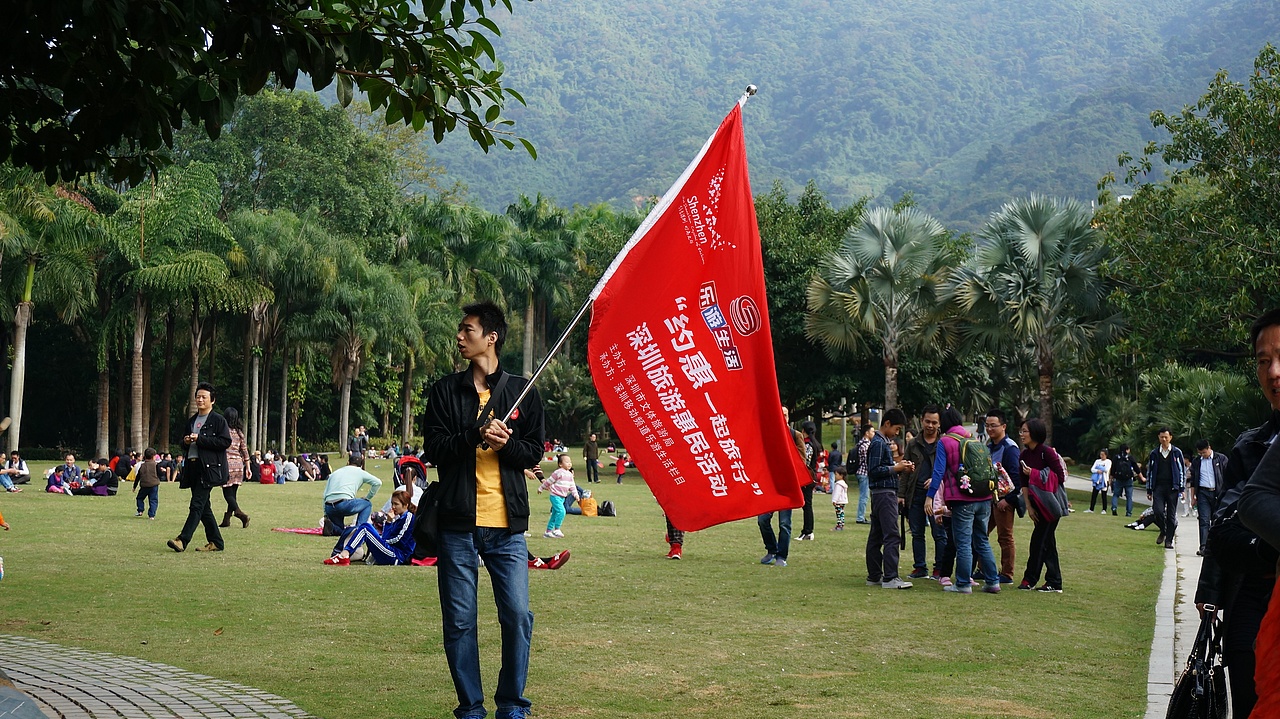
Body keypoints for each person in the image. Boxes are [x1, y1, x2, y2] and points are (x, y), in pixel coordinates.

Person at [421, 301, 544, 719]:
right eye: (460, 330)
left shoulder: (522, 391)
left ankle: (511, 703)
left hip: (506, 527)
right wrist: (475, 434)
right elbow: (435, 449)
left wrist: (506, 444)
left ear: (491, 337)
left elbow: (533, 453)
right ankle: (471, 708)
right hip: (457, 523)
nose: (460, 337)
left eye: (468, 330)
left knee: (518, 615)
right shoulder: (444, 391)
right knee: (459, 622)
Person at [1195, 309, 1280, 717]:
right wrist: (1208, 595)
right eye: (1263, 361)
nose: (1274, 372)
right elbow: (1224, 534)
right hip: (1256, 601)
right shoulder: (1253, 447)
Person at [927, 406, 1000, 594]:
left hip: (962, 499)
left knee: (963, 542)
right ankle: (993, 581)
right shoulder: (973, 439)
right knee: (981, 539)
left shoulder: (945, 442)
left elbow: (938, 471)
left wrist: (930, 497)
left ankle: (962, 584)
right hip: (984, 497)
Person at [168, 382, 232, 553]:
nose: (200, 400)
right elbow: (182, 442)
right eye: (198, 396)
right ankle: (216, 542)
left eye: (204, 397)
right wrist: (186, 442)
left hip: (208, 469)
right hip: (193, 467)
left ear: (213, 400)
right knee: (204, 508)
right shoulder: (192, 421)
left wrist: (200, 439)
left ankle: (182, 540)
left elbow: (225, 442)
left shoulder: (218, 420)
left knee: (196, 505)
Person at [865, 408, 914, 589]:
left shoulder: (882, 442)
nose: (897, 433)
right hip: (885, 494)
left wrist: (899, 467)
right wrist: (896, 468)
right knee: (892, 535)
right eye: (897, 428)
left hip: (880, 495)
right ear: (887, 424)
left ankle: (874, 576)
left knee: (876, 536)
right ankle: (890, 577)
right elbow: (874, 471)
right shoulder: (879, 443)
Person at [1017, 418, 1065, 593]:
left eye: (1025, 431)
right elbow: (1023, 483)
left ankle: (1030, 579)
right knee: (1048, 543)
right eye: (1021, 431)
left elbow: (1060, 477)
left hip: (1051, 506)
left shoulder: (1047, 453)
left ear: (1035, 433)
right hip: (1037, 505)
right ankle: (1054, 581)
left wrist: (1035, 474)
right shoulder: (1024, 455)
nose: (1022, 435)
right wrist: (1029, 507)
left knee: (1038, 542)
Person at [325, 488, 418, 566]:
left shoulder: (409, 518)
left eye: (396, 504)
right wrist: (388, 522)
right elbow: (388, 538)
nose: (393, 507)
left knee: (365, 528)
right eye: (392, 503)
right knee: (366, 527)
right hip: (391, 552)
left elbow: (399, 540)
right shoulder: (398, 519)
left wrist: (380, 540)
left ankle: (344, 554)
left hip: (397, 556)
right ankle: (344, 554)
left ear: (405, 505)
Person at [903, 405, 942, 579]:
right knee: (917, 532)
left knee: (939, 533)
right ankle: (920, 567)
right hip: (915, 494)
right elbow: (904, 470)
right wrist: (900, 495)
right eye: (927, 421)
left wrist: (936, 480)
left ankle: (940, 568)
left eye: (934, 422)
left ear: (939, 423)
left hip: (937, 496)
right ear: (921, 420)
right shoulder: (912, 444)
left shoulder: (944, 443)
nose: (930, 426)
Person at [759, 405, 800, 568]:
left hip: (787, 486)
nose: (783, 417)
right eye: (780, 414)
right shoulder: (768, 434)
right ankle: (772, 549)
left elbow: (801, 461)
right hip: (770, 486)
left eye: (786, 414)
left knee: (784, 523)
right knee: (763, 520)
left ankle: (782, 556)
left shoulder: (795, 435)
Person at [985, 408, 1022, 584]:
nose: (990, 429)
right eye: (987, 426)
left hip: (1004, 501)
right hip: (988, 500)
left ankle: (1007, 574)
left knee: (1005, 536)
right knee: (981, 533)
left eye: (993, 425)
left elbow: (1016, 478)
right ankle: (982, 568)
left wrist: (1007, 500)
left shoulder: (1010, 448)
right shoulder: (989, 446)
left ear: (1004, 426)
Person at [1145, 428, 1186, 549]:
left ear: (1170, 438)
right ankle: (1163, 530)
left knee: (1171, 515)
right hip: (1158, 487)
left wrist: (1181, 488)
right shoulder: (1154, 453)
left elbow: (1181, 470)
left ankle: (1169, 540)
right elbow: (1150, 472)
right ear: (1158, 437)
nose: (1164, 439)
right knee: (1157, 511)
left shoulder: (1176, 452)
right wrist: (1149, 489)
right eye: (1161, 437)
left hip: (1172, 487)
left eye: (1166, 437)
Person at [323, 454, 383, 529]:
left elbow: (325, 494)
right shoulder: (360, 472)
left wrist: (326, 514)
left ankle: (333, 528)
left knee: (340, 529)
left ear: (348, 462)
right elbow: (378, 482)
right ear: (361, 466)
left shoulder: (334, 473)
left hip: (329, 506)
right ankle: (359, 529)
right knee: (367, 504)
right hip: (344, 504)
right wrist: (368, 497)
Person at [1189, 439, 1226, 556]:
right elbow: (1193, 481)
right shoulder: (1197, 462)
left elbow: (1228, 476)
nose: (1202, 455)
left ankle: (1216, 546)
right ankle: (1203, 547)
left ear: (1209, 448)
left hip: (1218, 493)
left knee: (1217, 520)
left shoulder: (1221, 459)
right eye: (1200, 453)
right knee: (1204, 520)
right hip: (1203, 493)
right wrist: (1193, 497)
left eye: (1204, 453)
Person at [218, 407, 251, 528]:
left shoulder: (223, 431)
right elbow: (244, 451)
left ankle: (239, 513)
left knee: (227, 494)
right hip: (238, 465)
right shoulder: (239, 432)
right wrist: (248, 467)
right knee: (233, 494)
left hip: (227, 464)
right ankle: (226, 520)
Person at [538, 454, 580, 539]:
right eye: (567, 462)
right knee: (562, 511)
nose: (569, 464)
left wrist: (576, 495)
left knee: (554, 514)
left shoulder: (570, 475)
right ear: (560, 464)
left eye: (570, 462)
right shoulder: (558, 472)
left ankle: (548, 532)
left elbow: (572, 486)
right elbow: (549, 481)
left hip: (562, 497)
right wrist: (541, 488)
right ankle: (557, 529)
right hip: (555, 496)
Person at [796, 421, 820, 541]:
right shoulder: (813, 444)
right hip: (810, 477)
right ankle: (806, 531)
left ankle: (808, 531)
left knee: (807, 505)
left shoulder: (808, 445)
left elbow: (805, 461)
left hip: (807, 477)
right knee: (806, 505)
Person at [1110, 444, 1140, 516]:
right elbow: (1136, 468)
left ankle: (1114, 507)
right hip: (1128, 479)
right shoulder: (1130, 458)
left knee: (1115, 495)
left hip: (1118, 479)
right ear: (1127, 450)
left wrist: (1111, 479)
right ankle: (1128, 512)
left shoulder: (1116, 458)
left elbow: (1113, 469)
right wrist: (1141, 477)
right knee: (1129, 497)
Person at [853, 424, 873, 524]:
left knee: (864, 495)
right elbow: (867, 461)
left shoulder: (860, 443)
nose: (873, 434)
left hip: (860, 472)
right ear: (867, 433)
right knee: (864, 496)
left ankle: (861, 516)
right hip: (864, 473)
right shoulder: (866, 445)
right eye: (872, 432)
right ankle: (860, 517)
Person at [134, 448, 161, 519]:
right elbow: (159, 474)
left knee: (139, 498)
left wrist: (134, 486)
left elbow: (138, 477)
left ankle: (140, 510)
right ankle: (151, 515)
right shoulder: (156, 465)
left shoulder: (142, 465)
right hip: (154, 485)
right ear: (153, 456)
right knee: (153, 500)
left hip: (144, 485)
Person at [1087, 449, 1111, 513]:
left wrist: (1099, 468)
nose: (1101, 456)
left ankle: (1104, 509)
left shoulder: (1108, 461)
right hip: (1097, 480)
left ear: (1106, 455)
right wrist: (1097, 470)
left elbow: (1106, 469)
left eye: (1103, 455)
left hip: (1104, 480)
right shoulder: (1097, 461)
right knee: (1094, 494)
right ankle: (1091, 509)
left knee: (1104, 495)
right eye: (1101, 454)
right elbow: (1092, 469)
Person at [830, 464, 849, 531]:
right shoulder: (843, 483)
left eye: (836, 474)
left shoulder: (839, 484)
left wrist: (834, 500)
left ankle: (839, 525)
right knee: (841, 513)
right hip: (842, 501)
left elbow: (837, 493)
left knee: (839, 513)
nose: (835, 476)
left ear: (841, 476)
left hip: (839, 501)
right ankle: (840, 525)